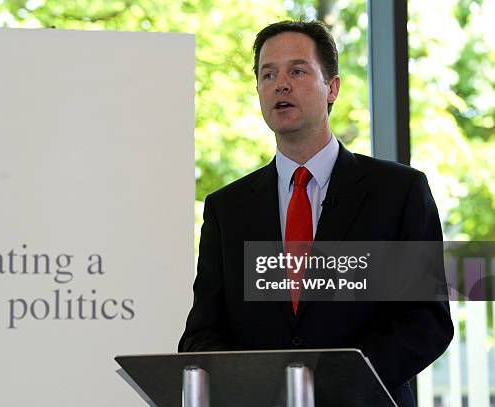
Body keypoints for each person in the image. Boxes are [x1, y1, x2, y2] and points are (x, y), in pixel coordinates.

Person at [178, 20, 453, 407]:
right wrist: (255, 383)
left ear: (332, 88)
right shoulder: (228, 208)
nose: (281, 84)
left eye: (297, 70)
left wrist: (332, 383)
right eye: (267, 74)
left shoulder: (398, 192)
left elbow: (426, 322)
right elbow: (201, 333)